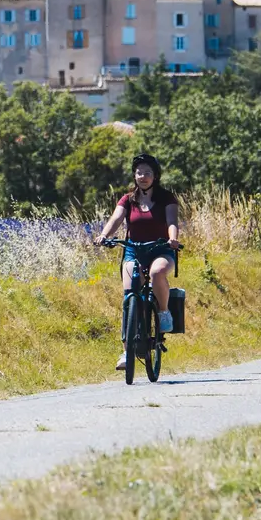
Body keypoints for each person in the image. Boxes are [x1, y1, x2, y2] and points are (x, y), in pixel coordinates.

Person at [94, 153, 181, 370]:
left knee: (157, 273)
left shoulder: (166, 198)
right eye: (139, 172)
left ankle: (163, 311)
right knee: (129, 295)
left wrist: (173, 238)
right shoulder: (127, 199)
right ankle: (126, 351)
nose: (143, 176)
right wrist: (104, 235)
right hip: (133, 250)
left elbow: (172, 221)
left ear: (155, 176)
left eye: (148, 173)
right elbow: (115, 219)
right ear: (134, 175)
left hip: (161, 248)